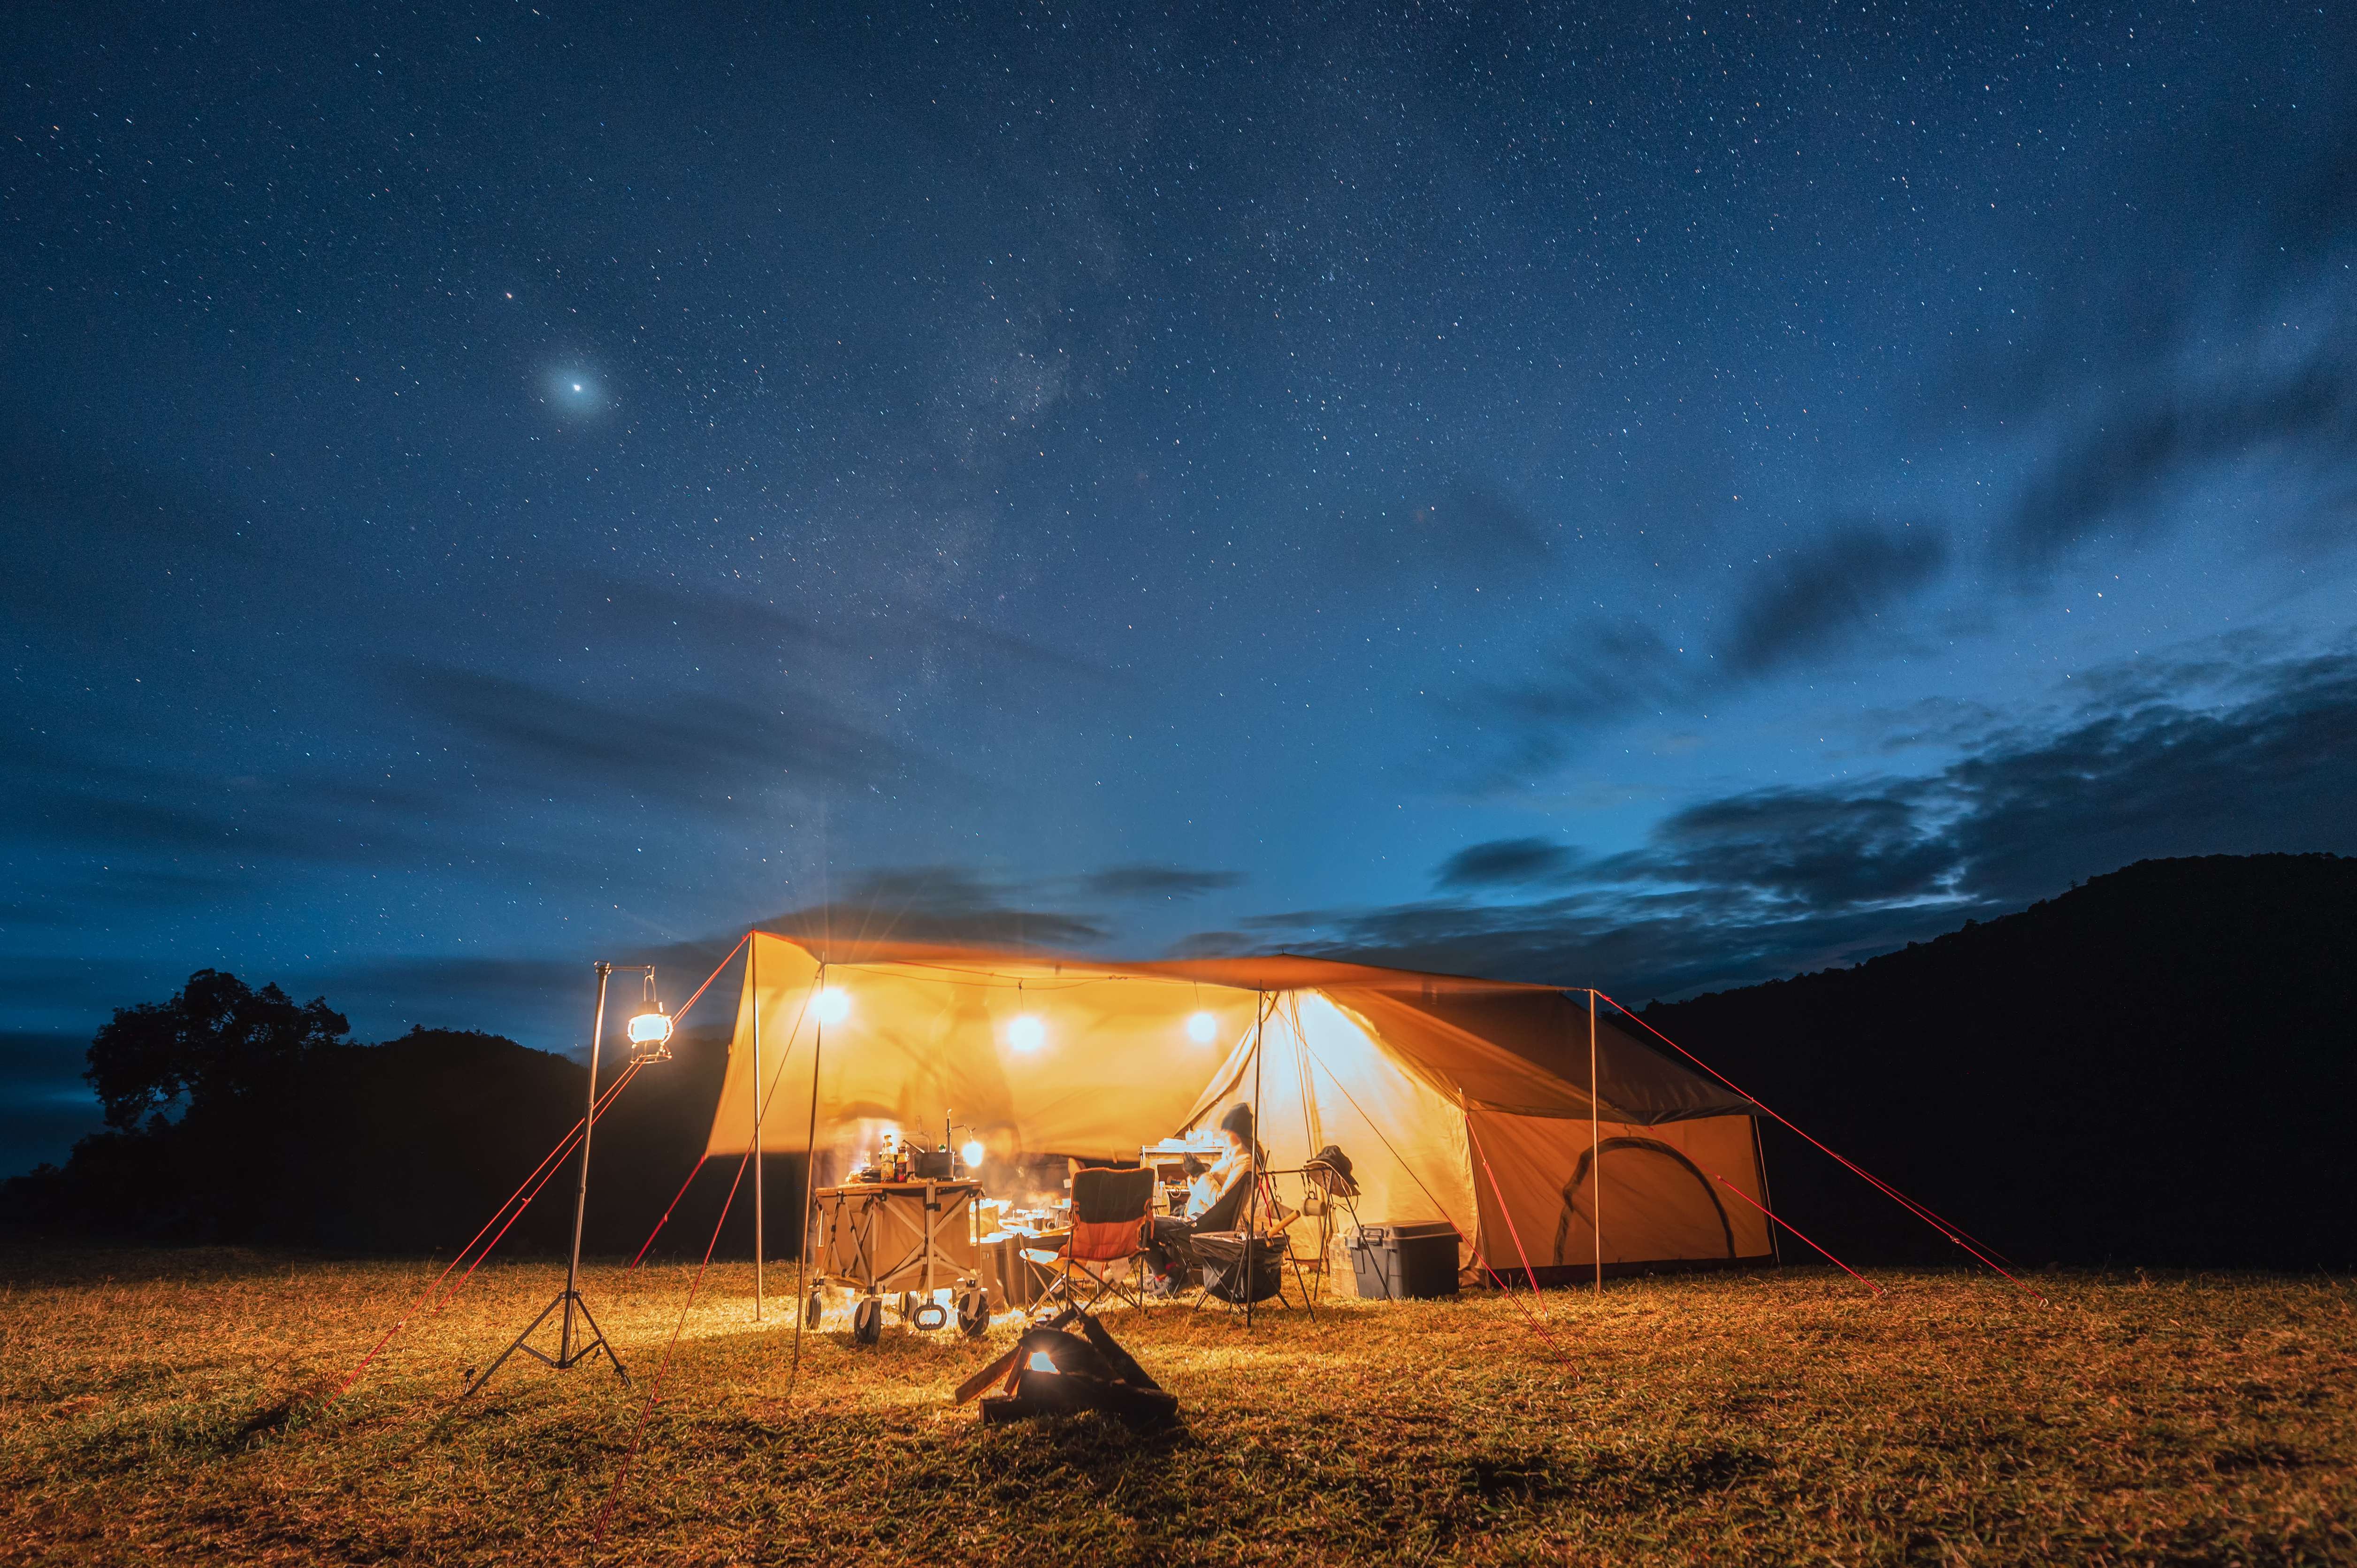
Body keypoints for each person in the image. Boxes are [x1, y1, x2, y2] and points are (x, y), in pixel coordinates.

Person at [1143, 1102, 1259, 1291]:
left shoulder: (1244, 1162)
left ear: (1237, 1133)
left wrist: (1201, 1174)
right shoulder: (1232, 1158)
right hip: (1199, 1218)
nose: (1223, 1135)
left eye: (1227, 1130)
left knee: (1144, 1226)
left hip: (1203, 1224)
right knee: (1145, 1224)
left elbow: (1220, 1201)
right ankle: (1169, 1275)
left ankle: (1168, 1277)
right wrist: (1197, 1176)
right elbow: (1211, 1191)